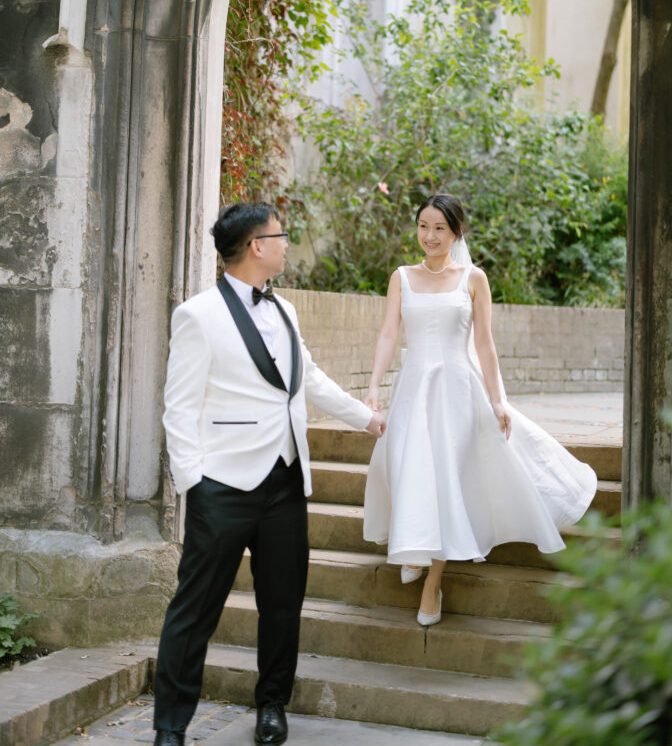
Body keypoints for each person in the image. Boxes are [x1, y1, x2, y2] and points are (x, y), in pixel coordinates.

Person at [153, 202, 385, 746]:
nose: (286, 244)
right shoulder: (198, 315)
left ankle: (273, 704)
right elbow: (178, 409)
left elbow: (311, 381)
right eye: (280, 236)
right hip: (224, 486)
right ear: (257, 246)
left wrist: (367, 418)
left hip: (285, 481)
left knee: (282, 604)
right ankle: (170, 726)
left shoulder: (286, 312)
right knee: (195, 608)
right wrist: (195, 485)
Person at [363, 193, 597, 626]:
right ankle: (414, 543)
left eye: (439, 228)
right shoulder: (402, 277)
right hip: (414, 387)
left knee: (446, 477)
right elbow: (387, 335)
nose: (429, 236)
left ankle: (433, 581)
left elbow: (485, 344)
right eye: (423, 226)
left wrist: (497, 399)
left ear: (456, 232)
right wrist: (374, 387)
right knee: (406, 466)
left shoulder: (473, 278)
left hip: (457, 388)